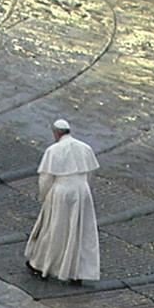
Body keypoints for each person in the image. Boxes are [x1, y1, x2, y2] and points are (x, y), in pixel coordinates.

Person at [24, 119, 100, 285]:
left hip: (61, 191)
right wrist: (85, 190)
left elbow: (45, 179)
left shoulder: (53, 150)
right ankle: (77, 271)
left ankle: (42, 265)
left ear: (56, 133)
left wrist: (44, 197)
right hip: (82, 190)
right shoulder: (85, 148)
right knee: (79, 231)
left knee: (54, 229)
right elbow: (91, 173)